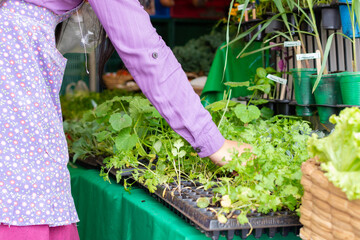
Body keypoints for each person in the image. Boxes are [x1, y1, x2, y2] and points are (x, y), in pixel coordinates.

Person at [0, 0, 251, 239]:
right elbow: (145, 50)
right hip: (12, 72)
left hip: (14, 65)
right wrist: (213, 143)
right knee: (25, 193)